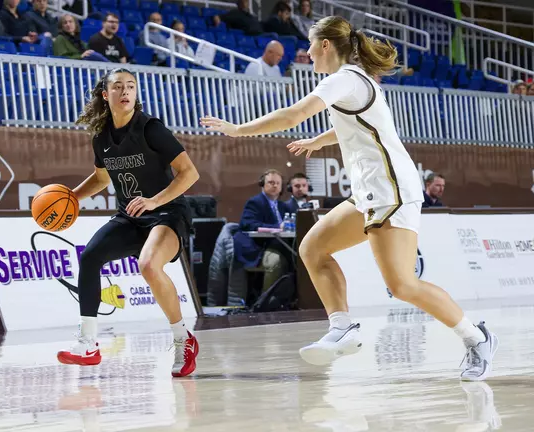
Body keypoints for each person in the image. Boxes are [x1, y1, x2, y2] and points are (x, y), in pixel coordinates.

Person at [200, 16, 497, 381]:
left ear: (326, 45)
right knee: (312, 249)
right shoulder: (352, 81)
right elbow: (352, 124)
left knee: (403, 284)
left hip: (391, 191)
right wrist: (319, 141)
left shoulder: (343, 79)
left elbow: (294, 114)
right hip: (368, 192)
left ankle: (477, 337)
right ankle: (342, 327)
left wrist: (239, 130)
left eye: (310, 45)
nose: (307, 53)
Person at [57, 68, 200, 377]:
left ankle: (182, 339)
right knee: (91, 256)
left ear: (136, 93)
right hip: (130, 217)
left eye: (131, 86)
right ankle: (88, 344)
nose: (125, 91)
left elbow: (189, 173)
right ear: (105, 95)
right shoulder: (102, 137)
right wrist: (70, 198)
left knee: (149, 265)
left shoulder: (150, 128)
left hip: (168, 213)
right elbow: (100, 178)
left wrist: (154, 201)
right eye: (118, 87)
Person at [232, 170, 291, 296]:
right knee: (276, 262)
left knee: (297, 259)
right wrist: (276, 227)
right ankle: (265, 301)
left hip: (278, 245)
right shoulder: (254, 202)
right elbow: (248, 224)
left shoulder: (282, 206)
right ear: (262, 184)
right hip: (257, 247)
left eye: (277, 183)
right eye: (271, 182)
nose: (275, 185)